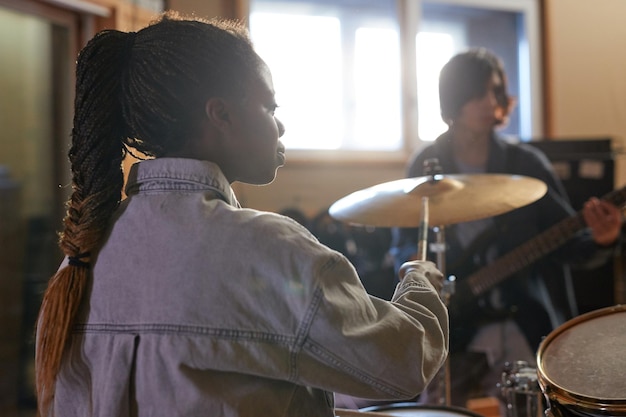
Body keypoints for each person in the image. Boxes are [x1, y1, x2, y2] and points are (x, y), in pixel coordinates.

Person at [34, 12, 449, 417]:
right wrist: (421, 281)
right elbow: (401, 364)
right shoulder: (265, 247)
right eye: (269, 107)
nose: (280, 126)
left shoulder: (80, 257)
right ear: (222, 114)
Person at [390, 48, 622, 407]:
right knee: (432, 409)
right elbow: (403, 247)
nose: (490, 102)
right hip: (456, 324)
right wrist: (419, 279)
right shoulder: (426, 164)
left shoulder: (525, 163)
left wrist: (603, 240)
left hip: (521, 319)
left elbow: (569, 243)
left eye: (495, 92)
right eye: (478, 93)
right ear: (453, 99)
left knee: (538, 404)